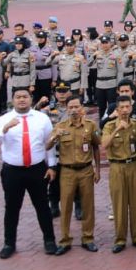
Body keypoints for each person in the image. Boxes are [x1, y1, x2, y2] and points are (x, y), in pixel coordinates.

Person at [0, 87, 65, 259]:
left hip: (37, 170)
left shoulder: (41, 118)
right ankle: (9, 243)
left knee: (42, 206)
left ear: (31, 99)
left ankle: (49, 241)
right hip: (12, 171)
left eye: (25, 97)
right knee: (12, 208)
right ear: (13, 100)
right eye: (18, 97)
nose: (22, 100)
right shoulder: (4, 119)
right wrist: (5, 129)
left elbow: (48, 143)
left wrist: (52, 166)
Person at [47, 95, 101, 253]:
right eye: (70, 107)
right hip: (67, 171)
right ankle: (64, 240)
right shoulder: (61, 126)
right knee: (66, 206)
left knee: (88, 206)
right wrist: (56, 136)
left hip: (85, 170)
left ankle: (88, 238)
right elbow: (47, 145)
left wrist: (97, 170)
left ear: (82, 108)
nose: (73, 110)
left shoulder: (90, 126)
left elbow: (96, 147)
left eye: (76, 107)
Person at [100, 95, 136, 252]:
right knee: (119, 204)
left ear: (131, 108)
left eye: (127, 107)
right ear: (116, 109)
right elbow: (104, 145)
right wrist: (117, 128)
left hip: (134, 165)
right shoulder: (109, 125)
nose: (124, 110)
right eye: (121, 107)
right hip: (117, 167)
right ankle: (120, 240)